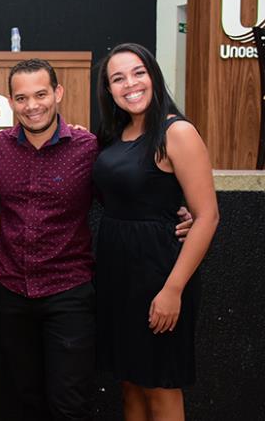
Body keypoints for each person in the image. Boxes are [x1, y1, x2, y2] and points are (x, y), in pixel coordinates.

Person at [0, 58, 193, 421]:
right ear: (10, 101)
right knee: (23, 399)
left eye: (41, 94)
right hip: (11, 291)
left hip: (70, 293)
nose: (32, 106)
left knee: (70, 404)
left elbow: (126, 196)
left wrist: (177, 211)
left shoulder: (88, 147)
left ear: (58, 93)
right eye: (21, 98)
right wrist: (12, 247)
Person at [93, 43, 219, 421]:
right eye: (118, 78)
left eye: (138, 72)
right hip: (117, 276)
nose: (130, 84)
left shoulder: (176, 131)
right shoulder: (114, 135)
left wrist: (172, 290)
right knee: (130, 384)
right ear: (109, 90)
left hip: (159, 274)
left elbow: (207, 216)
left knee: (161, 386)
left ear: (153, 76)